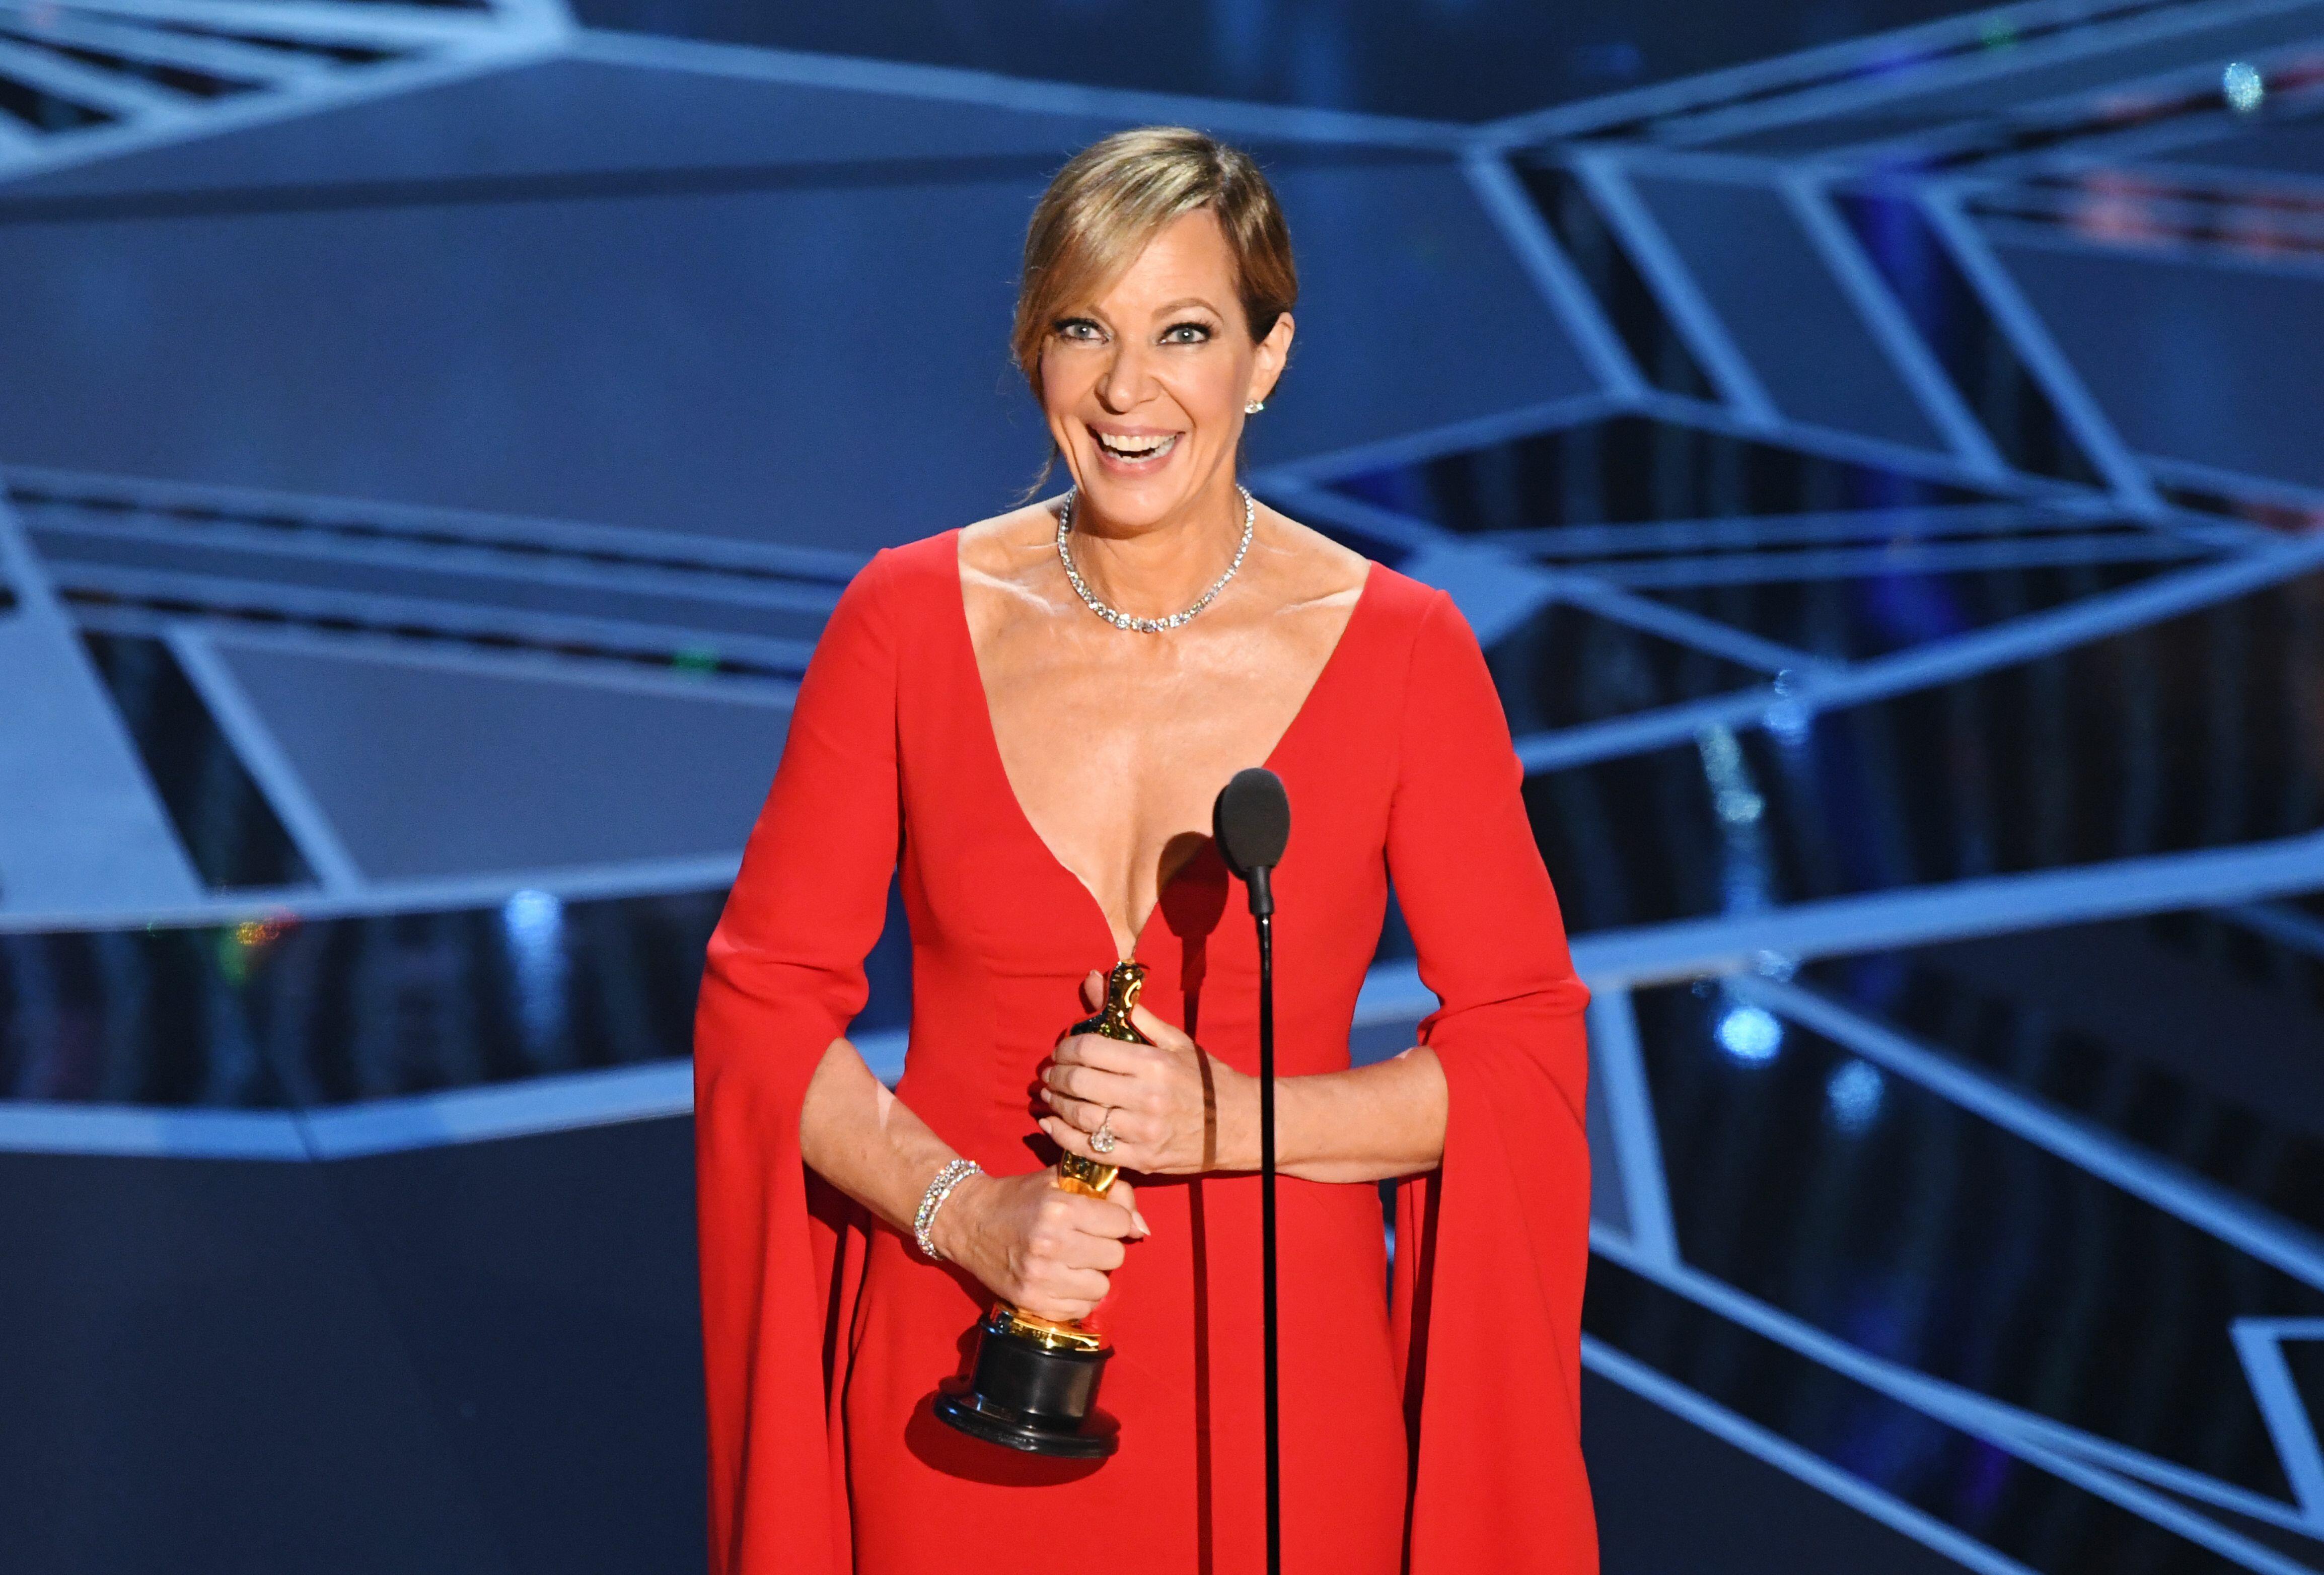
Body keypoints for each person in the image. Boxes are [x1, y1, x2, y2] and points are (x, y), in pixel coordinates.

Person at [694, 125, 1595, 1574]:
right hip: (961, 1346)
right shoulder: (906, 621)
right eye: (1083, 330)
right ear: (1032, 350)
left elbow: (1522, 1052)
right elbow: (763, 1002)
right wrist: (964, 1212)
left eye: (1186, 332)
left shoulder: (1406, 654)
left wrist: (1234, 1124)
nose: (1127, 390)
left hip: (1277, 1392)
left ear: (1268, 355)